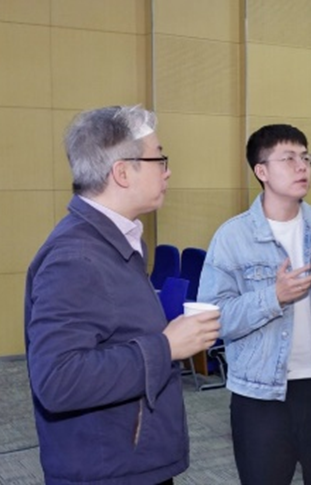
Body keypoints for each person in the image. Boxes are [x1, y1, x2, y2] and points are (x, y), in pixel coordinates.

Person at [24, 105, 221, 485]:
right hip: (109, 472)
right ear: (122, 172)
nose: (167, 171)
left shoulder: (113, 241)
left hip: (124, 462)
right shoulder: (76, 258)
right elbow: (58, 380)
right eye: (158, 159)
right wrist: (166, 346)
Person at [198, 124, 311, 485]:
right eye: (289, 158)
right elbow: (214, 318)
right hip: (259, 395)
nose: (302, 166)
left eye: (306, 157)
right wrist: (273, 298)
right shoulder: (233, 237)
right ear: (261, 171)